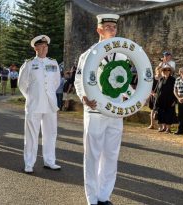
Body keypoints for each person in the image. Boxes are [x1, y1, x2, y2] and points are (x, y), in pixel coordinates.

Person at [74, 14, 129, 205]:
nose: (111, 31)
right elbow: (78, 81)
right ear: (99, 30)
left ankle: (104, 195)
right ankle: (92, 198)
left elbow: (124, 80)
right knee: (93, 155)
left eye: (114, 28)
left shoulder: (122, 54)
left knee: (111, 154)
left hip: (115, 111)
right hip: (95, 110)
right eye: (107, 27)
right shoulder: (87, 55)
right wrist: (83, 98)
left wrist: (131, 97)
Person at [18, 35, 61, 173]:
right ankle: (29, 163)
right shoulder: (29, 64)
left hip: (50, 104)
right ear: (35, 48)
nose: (44, 48)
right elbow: (22, 84)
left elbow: (56, 82)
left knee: (51, 133)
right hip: (34, 104)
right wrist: (31, 96)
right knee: (31, 134)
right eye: (41, 46)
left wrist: (48, 94)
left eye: (46, 46)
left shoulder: (53, 63)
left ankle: (50, 161)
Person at [154, 64, 177, 133]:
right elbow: (158, 90)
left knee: (169, 113)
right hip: (161, 100)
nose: (166, 71)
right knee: (161, 113)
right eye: (164, 70)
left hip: (170, 100)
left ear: (170, 71)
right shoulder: (161, 79)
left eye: (168, 70)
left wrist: (175, 100)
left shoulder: (173, 79)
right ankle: (163, 127)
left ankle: (168, 128)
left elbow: (176, 90)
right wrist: (156, 100)